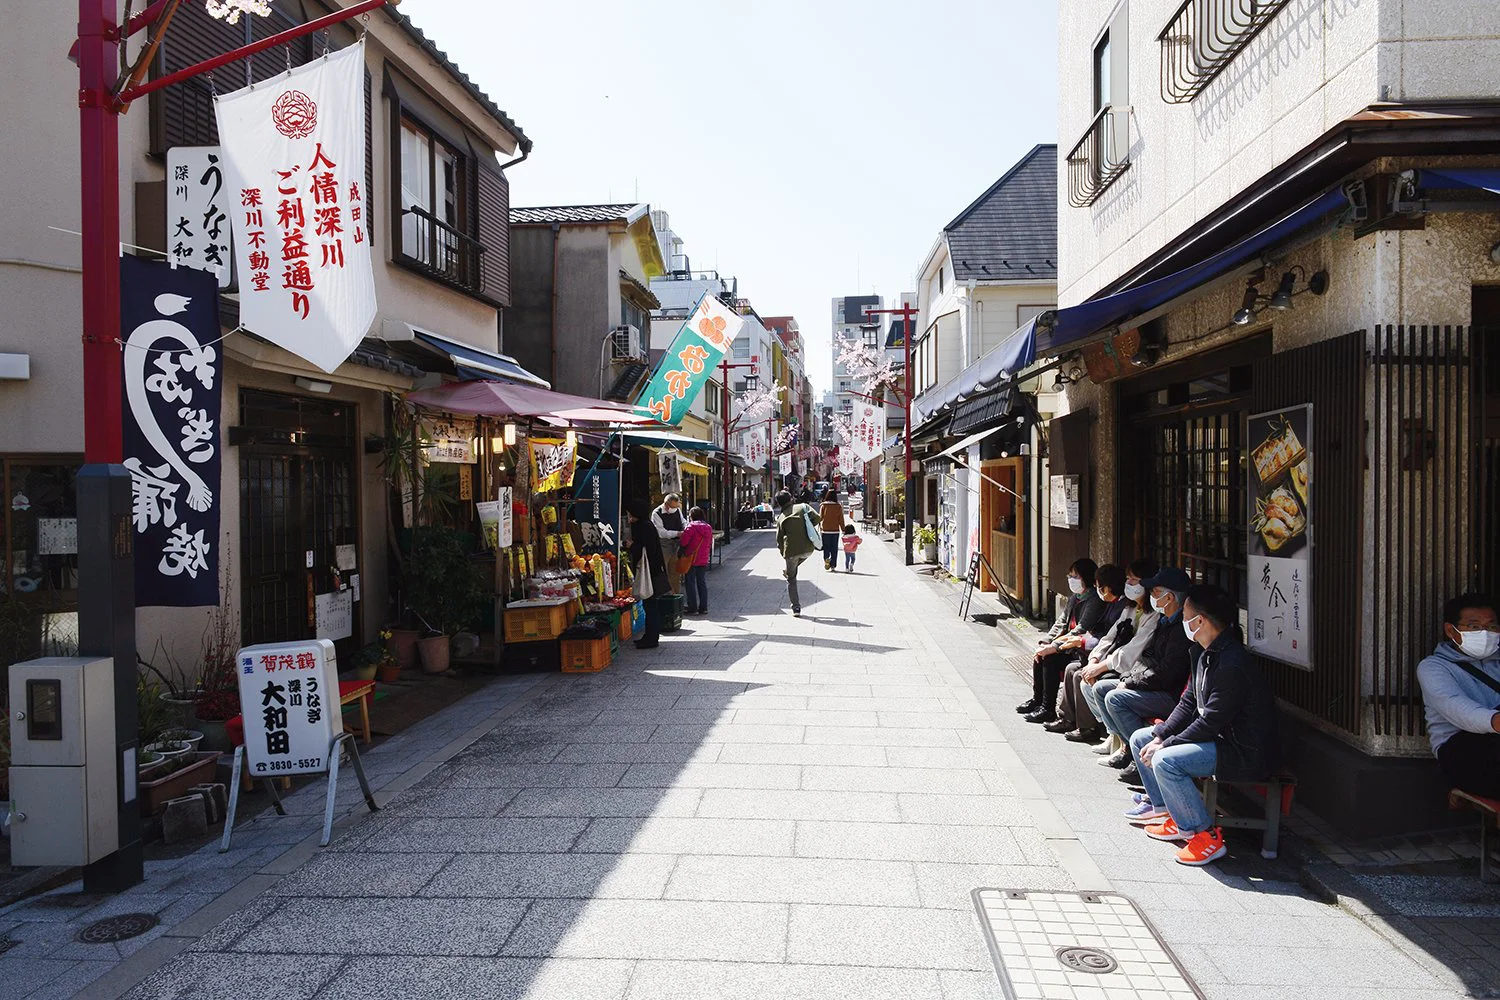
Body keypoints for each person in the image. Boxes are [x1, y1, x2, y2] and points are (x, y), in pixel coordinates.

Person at [1126, 584, 1279, 866]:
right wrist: (1161, 734)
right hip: (1218, 738)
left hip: (1241, 749)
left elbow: (1212, 721)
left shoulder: (1232, 662)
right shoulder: (1202, 651)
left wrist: (1167, 743)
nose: (1182, 621)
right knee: (1140, 739)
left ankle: (1204, 835)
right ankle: (1169, 813)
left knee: (1166, 760)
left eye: (1186, 615)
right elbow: (1188, 702)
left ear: (1200, 621)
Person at [1098, 567, 1195, 782]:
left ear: (1169, 597)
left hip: (1170, 694)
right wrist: (1128, 679)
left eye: (1154, 592)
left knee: (1116, 698)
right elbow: (1146, 658)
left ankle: (1139, 758)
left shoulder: (1181, 629)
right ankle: (1126, 747)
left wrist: (1131, 683)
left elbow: (1167, 673)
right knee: (1103, 688)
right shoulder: (1164, 620)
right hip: (1153, 684)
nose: (1150, 596)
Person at [1417, 593, 1500, 799]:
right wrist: (1495, 721)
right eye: (1474, 626)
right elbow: (1458, 709)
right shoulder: (1433, 668)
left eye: (1491, 627)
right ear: (1450, 630)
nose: (1484, 633)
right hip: (1463, 750)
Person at [1077, 558, 1160, 756]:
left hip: (1135, 667)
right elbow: (1109, 637)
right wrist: (1094, 659)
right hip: (1116, 663)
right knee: (1085, 682)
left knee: (1101, 687)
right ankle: (1112, 734)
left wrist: (1101, 667)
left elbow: (1134, 648)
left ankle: (1124, 744)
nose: (1128, 584)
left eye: (1134, 580)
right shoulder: (1130, 608)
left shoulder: (1155, 615)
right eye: (1128, 579)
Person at [1050, 563, 1135, 740]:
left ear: (1108, 587)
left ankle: (1088, 727)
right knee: (1071, 670)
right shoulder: (1111, 604)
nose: (1097, 589)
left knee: (1079, 674)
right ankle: (1068, 718)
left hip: (1113, 658)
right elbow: (1103, 634)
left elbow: (1114, 638)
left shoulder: (1123, 607)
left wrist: (1083, 643)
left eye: (1099, 586)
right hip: (1098, 652)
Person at [1018, 559, 1104, 723]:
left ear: (1086, 577)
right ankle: (1038, 700)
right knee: (1041, 655)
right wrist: (1047, 641)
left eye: (1075, 576)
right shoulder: (1075, 597)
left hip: (1079, 649)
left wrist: (1054, 647)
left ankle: (1047, 708)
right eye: (1070, 575)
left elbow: (1081, 629)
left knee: (1050, 659)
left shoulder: (1094, 600)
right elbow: (1061, 621)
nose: (1071, 579)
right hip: (1067, 645)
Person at [626, 500, 669, 649]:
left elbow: (646, 550)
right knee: (650, 604)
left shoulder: (644, 527)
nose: (629, 516)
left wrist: (632, 545)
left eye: (630, 513)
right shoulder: (646, 524)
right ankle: (649, 636)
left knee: (650, 605)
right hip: (653, 569)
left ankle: (651, 638)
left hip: (650, 571)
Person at [775, 489, 817, 616]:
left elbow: (779, 541)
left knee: (791, 578)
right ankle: (788, 570)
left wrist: (784, 553)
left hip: (791, 552)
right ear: (791, 498)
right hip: (808, 548)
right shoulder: (803, 507)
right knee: (794, 565)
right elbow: (817, 518)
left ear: (778, 504)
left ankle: (796, 608)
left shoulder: (781, 518)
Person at [679, 507, 714, 616]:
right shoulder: (708, 527)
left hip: (691, 559)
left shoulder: (691, 526)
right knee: (701, 582)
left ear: (692, 516)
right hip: (703, 559)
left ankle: (692, 607)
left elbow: (684, 541)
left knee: (690, 582)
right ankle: (703, 608)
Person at [651, 493, 685, 594]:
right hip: (664, 545)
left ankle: (676, 595)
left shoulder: (677, 510)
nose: (675, 509)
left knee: (675, 573)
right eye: (673, 507)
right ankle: (667, 596)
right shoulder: (656, 513)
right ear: (666, 505)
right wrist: (678, 533)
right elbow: (661, 532)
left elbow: (683, 521)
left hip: (676, 544)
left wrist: (686, 528)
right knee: (664, 572)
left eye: (676, 507)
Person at [819, 491, 846, 571]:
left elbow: (820, 517)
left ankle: (826, 558)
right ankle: (833, 565)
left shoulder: (823, 505)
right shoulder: (838, 506)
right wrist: (843, 529)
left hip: (825, 530)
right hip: (835, 530)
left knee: (826, 547)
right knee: (834, 548)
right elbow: (841, 519)